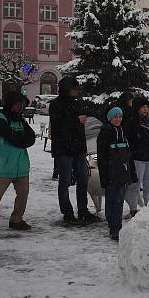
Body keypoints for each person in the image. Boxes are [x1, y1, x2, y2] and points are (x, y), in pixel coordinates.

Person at [0, 92, 36, 239]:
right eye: (17, 103)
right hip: (2, 166)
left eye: (21, 104)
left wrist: (21, 139)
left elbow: (31, 138)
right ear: (10, 103)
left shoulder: (20, 120)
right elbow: (12, 137)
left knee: (23, 194)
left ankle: (17, 219)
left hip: (20, 166)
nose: (19, 107)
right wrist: (22, 139)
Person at [50, 77, 96, 225]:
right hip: (64, 149)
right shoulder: (56, 104)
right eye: (74, 88)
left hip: (78, 149)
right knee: (64, 181)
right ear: (66, 88)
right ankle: (67, 213)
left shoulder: (77, 103)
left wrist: (83, 148)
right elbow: (58, 125)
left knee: (83, 179)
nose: (76, 91)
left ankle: (83, 210)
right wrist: (76, 120)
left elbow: (81, 125)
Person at [97, 106, 138, 240]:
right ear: (110, 118)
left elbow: (129, 155)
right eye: (115, 117)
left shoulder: (123, 132)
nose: (118, 119)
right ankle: (112, 227)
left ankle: (118, 227)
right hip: (110, 174)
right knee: (111, 201)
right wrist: (104, 176)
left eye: (120, 116)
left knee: (119, 201)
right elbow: (102, 157)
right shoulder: (105, 133)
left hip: (123, 173)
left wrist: (132, 174)